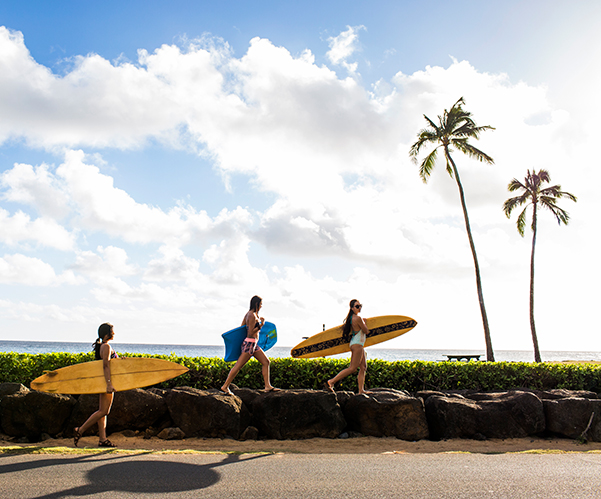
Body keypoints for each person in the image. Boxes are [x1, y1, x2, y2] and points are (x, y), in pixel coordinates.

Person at [221, 296, 279, 395]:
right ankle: (225, 386)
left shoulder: (251, 315)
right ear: (256, 304)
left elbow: (242, 328)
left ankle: (267, 386)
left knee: (266, 362)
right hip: (250, 344)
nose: (261, 306)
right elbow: (251, 332)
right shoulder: (251, 315)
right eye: (260, 304)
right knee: (238, 366)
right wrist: (261, 325)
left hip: (254, 344)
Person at [73, 323, 118, 448]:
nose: (114, 333)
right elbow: (105, 365)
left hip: (103, 381)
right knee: (104, 411)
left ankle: (102, 439)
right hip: (107, 381)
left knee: (102, 412)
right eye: (112, 331)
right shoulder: (106, 347)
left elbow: (110, 364)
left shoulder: (102, 346)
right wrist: (109, 384)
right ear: (107, 334)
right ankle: (80, 430)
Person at [325, 299, 371, 394]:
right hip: (357, 345)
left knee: (363, 367)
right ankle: (331, 382)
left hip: (357, 344)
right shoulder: (357, 318)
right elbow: (366, 331)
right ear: (352, 308)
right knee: (352, 368)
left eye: (360, 305)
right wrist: (364, 323)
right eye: (357, 306)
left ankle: (361, 390)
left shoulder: (352, 318)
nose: (359, 308)